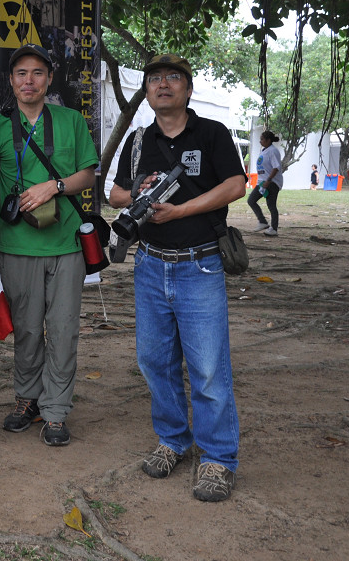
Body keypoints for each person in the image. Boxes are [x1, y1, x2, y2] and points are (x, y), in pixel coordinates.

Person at [109, 53, 246, 503]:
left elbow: (235, 185)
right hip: (150, 264)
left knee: (208, 367)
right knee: (154, 361)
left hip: (199, 264)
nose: (162, 84)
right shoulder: (138, 140)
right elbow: (115, 193)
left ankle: (218, 458)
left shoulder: (211, 133)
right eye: (154, 79)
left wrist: (181, 210)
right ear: (146, 91)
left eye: (173, 78)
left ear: (188, 89)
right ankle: (172, 440)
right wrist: (140, 191)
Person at [0, 44, 99, 447]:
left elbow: (88, 175)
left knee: (63, 330)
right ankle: (27, 398)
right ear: (11, 81)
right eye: (21, 73)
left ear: (48, 79)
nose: (29, 81)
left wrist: (55, 186)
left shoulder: (71, 120)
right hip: (16, 245)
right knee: (27, 330)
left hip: (66, 246)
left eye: (37, 73)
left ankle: (56, 410)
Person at [248, 130, 283, 236]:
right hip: (262, 182)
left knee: (271, 205)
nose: (260, 141)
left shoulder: (272, 151)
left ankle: (274, 229)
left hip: (271, 182)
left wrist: (269, 180)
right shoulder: (264, 151)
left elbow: (276, 167)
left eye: (262, 139)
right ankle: (262, 221)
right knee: (251, 200)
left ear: (268, 140)